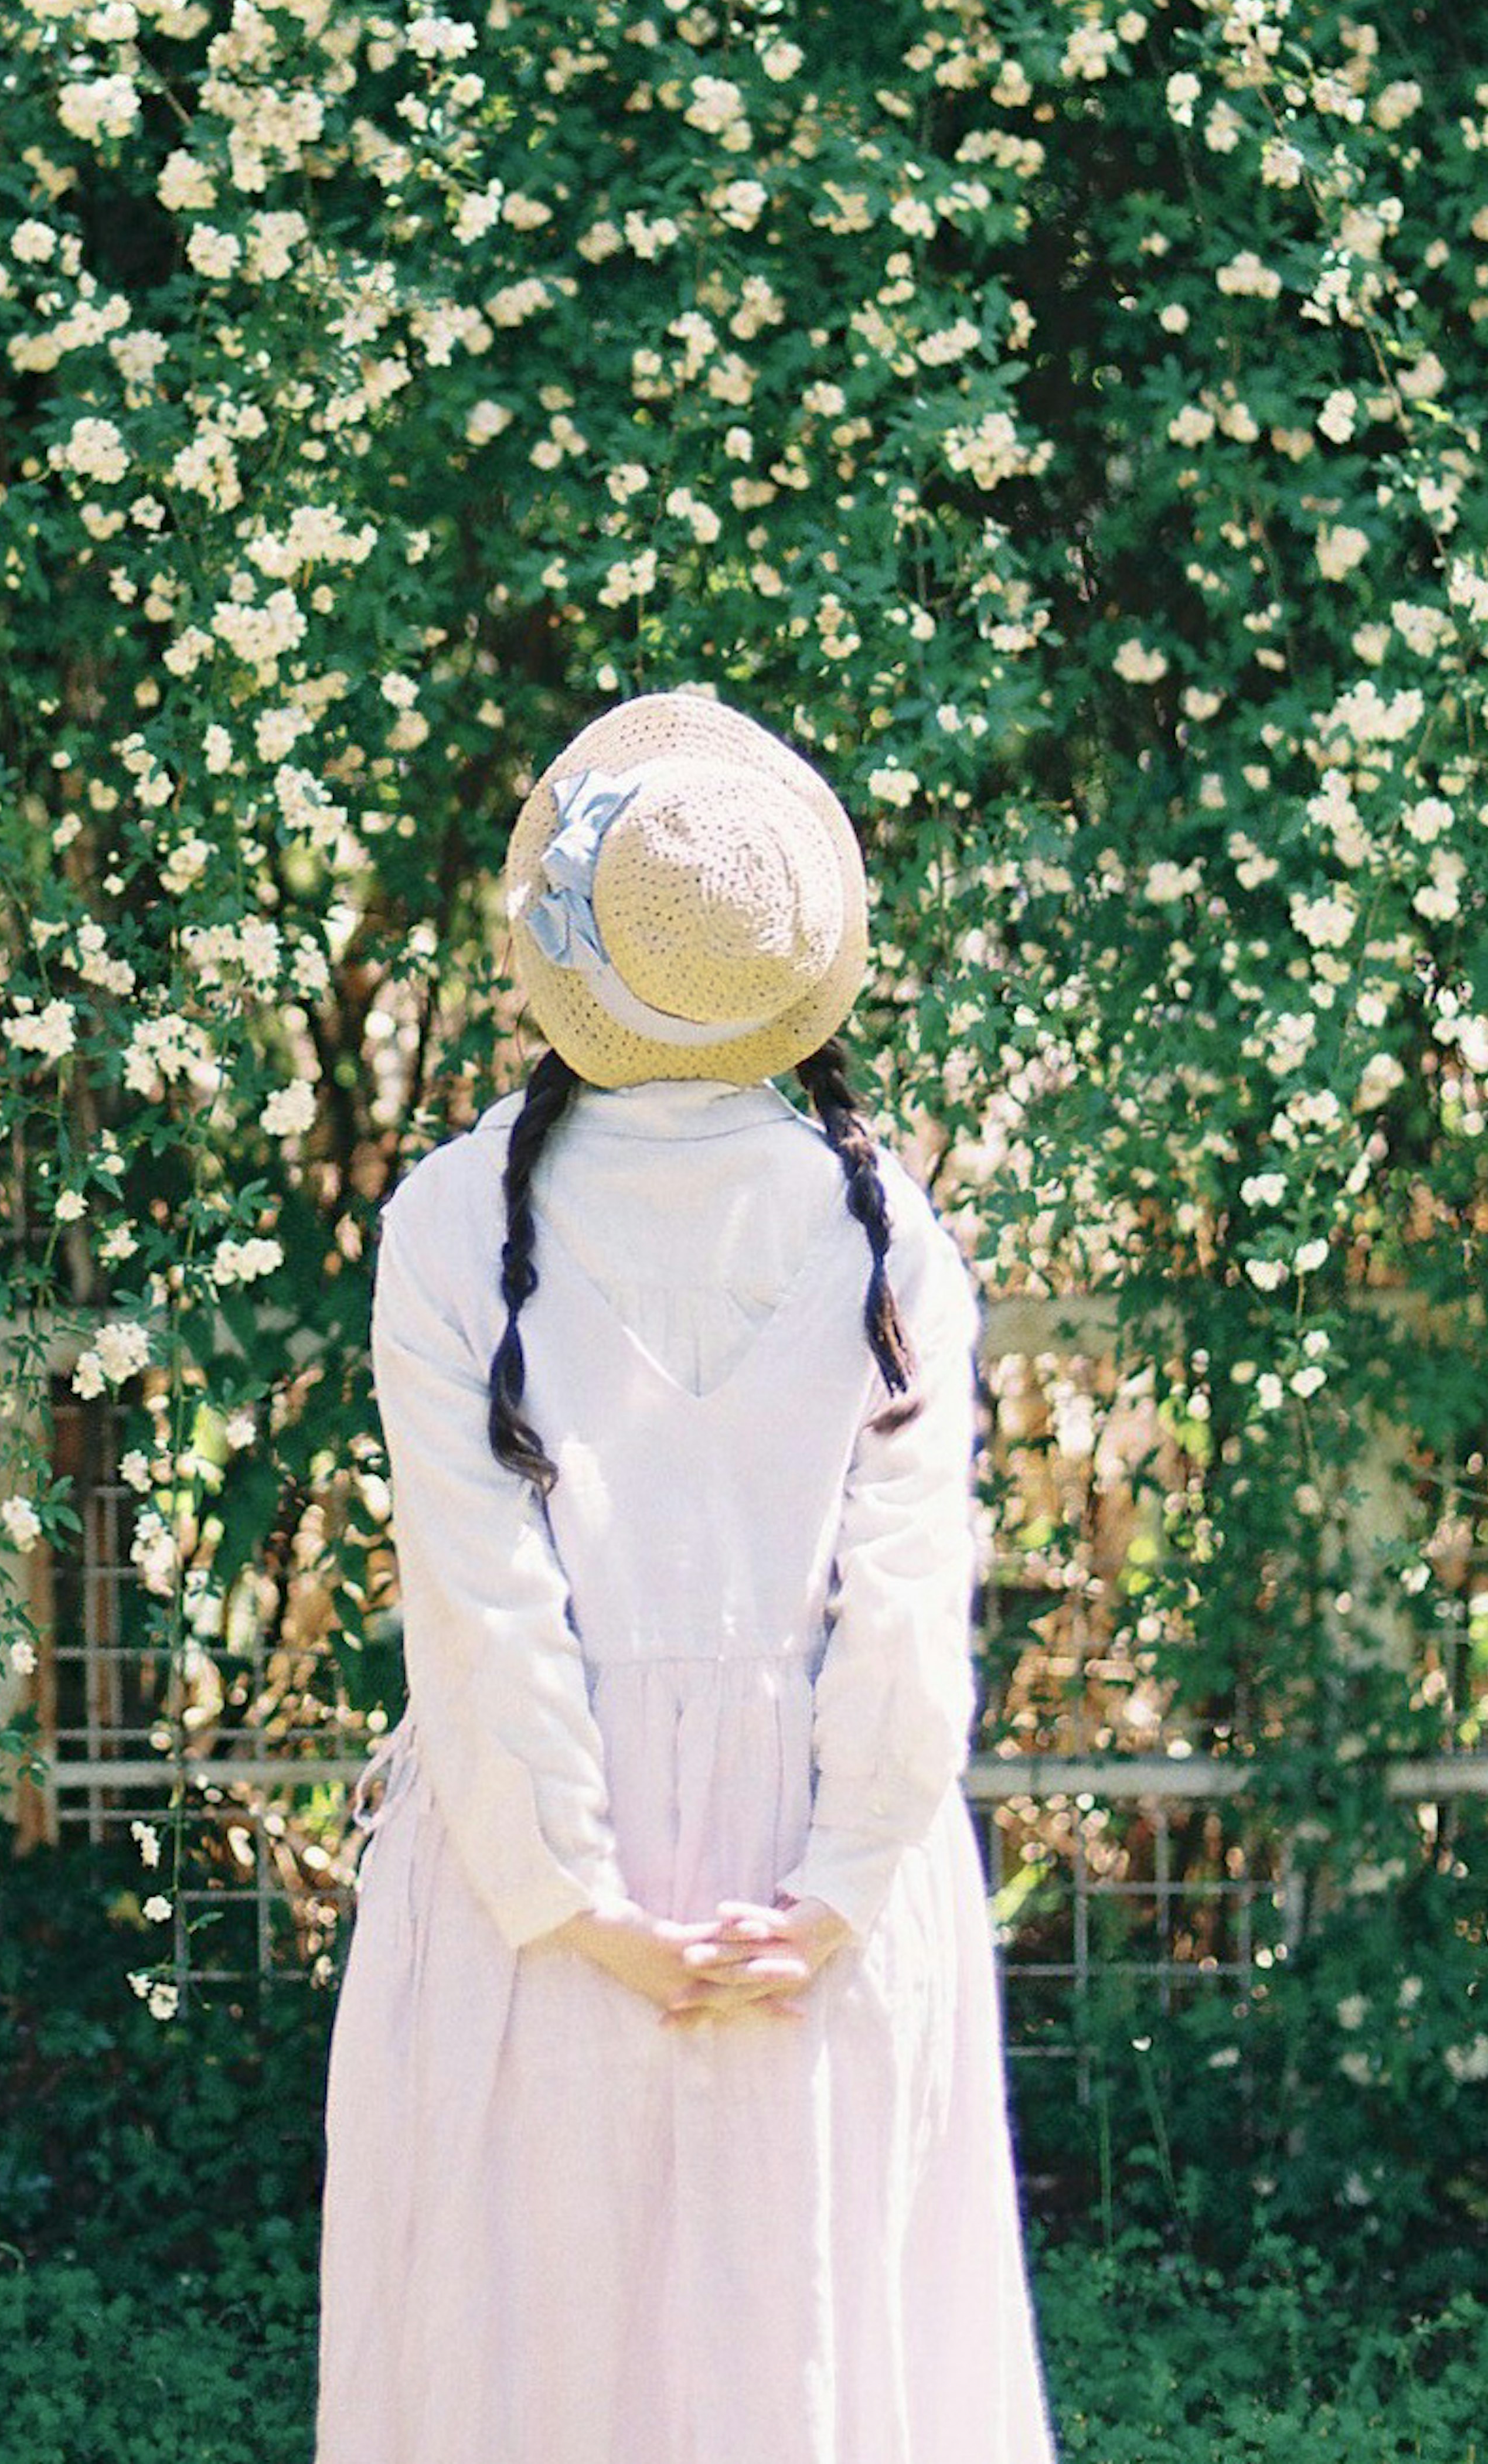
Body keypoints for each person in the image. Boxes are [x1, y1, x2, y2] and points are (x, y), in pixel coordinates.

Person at [314, 685, 1058, 2464]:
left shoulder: (445, 1222)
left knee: (525, 2373)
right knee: (810, 2368)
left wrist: (577, 1903)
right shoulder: (889, 1234)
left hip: (531, 1892)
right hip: (813, 1888)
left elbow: (483, 1617)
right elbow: (905, 1618)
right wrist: (838, 1890)